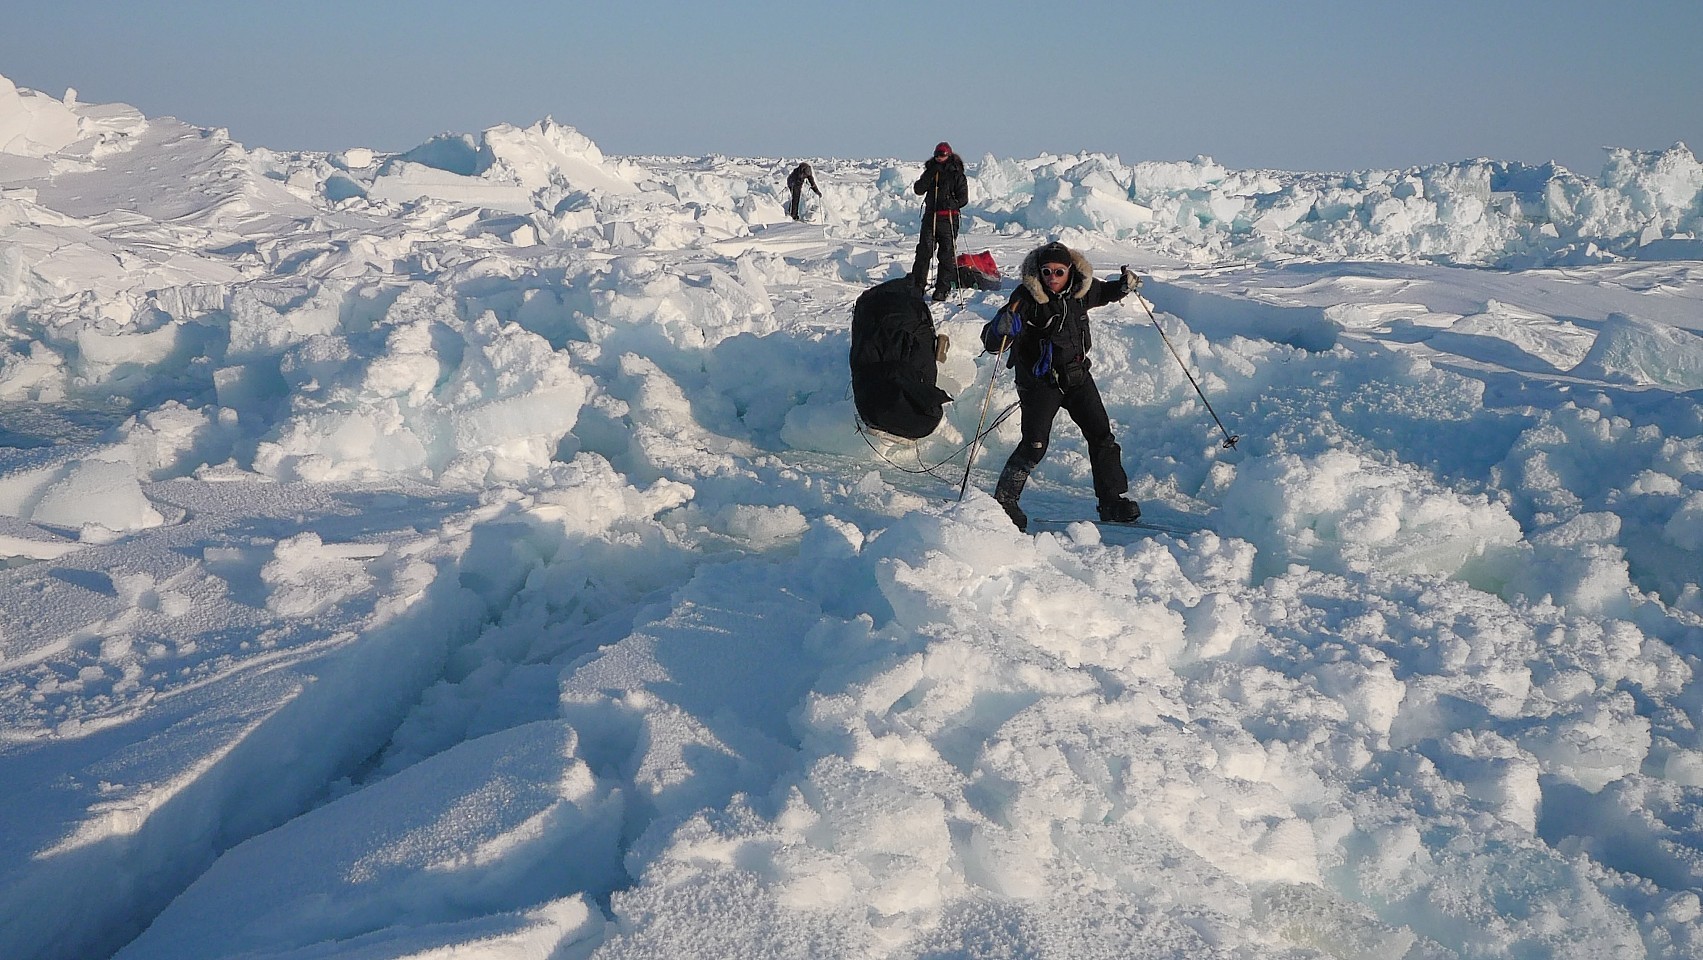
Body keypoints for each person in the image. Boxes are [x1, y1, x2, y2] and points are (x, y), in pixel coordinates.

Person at [979, 241, 1144, 532]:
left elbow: (1103, 292)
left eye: (1059, 271)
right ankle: (1004, 502)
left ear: (1070, 271)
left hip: (1078, 376)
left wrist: (1123, 286)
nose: (1052, 278)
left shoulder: (1081, 290)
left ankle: (1111, 501)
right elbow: (993, 342)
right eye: (1046, 272)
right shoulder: (1027, 298)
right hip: (1040, 383)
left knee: (1102, 435)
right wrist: (1000, 329)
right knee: (1034, 446)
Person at [909, 141, 968, 302]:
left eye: (942, 155)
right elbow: (918, 189)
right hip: (931, 217)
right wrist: (930, 174)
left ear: (948, 155)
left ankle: (942, 288)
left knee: (946, 254)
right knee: (924, 252)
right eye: (937, 155)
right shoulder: (931, 171)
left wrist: (952, 203)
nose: (939, 158)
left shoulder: (956, 174)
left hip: (948, 219)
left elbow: (963, 198)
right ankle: (918, 285)